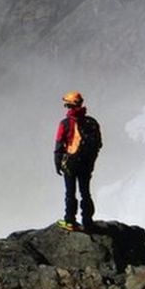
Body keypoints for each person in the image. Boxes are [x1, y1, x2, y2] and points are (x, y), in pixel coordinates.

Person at [54, 91, 102, 231]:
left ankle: (70, 222)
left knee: (70, 192)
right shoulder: (92, 122)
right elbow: (99, 144)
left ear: (69, 106)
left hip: (71, 162)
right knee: (85, 192)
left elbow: (58, 144)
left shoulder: (65, 123)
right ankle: (87, 222)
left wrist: (57, 163)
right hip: (86, 163)